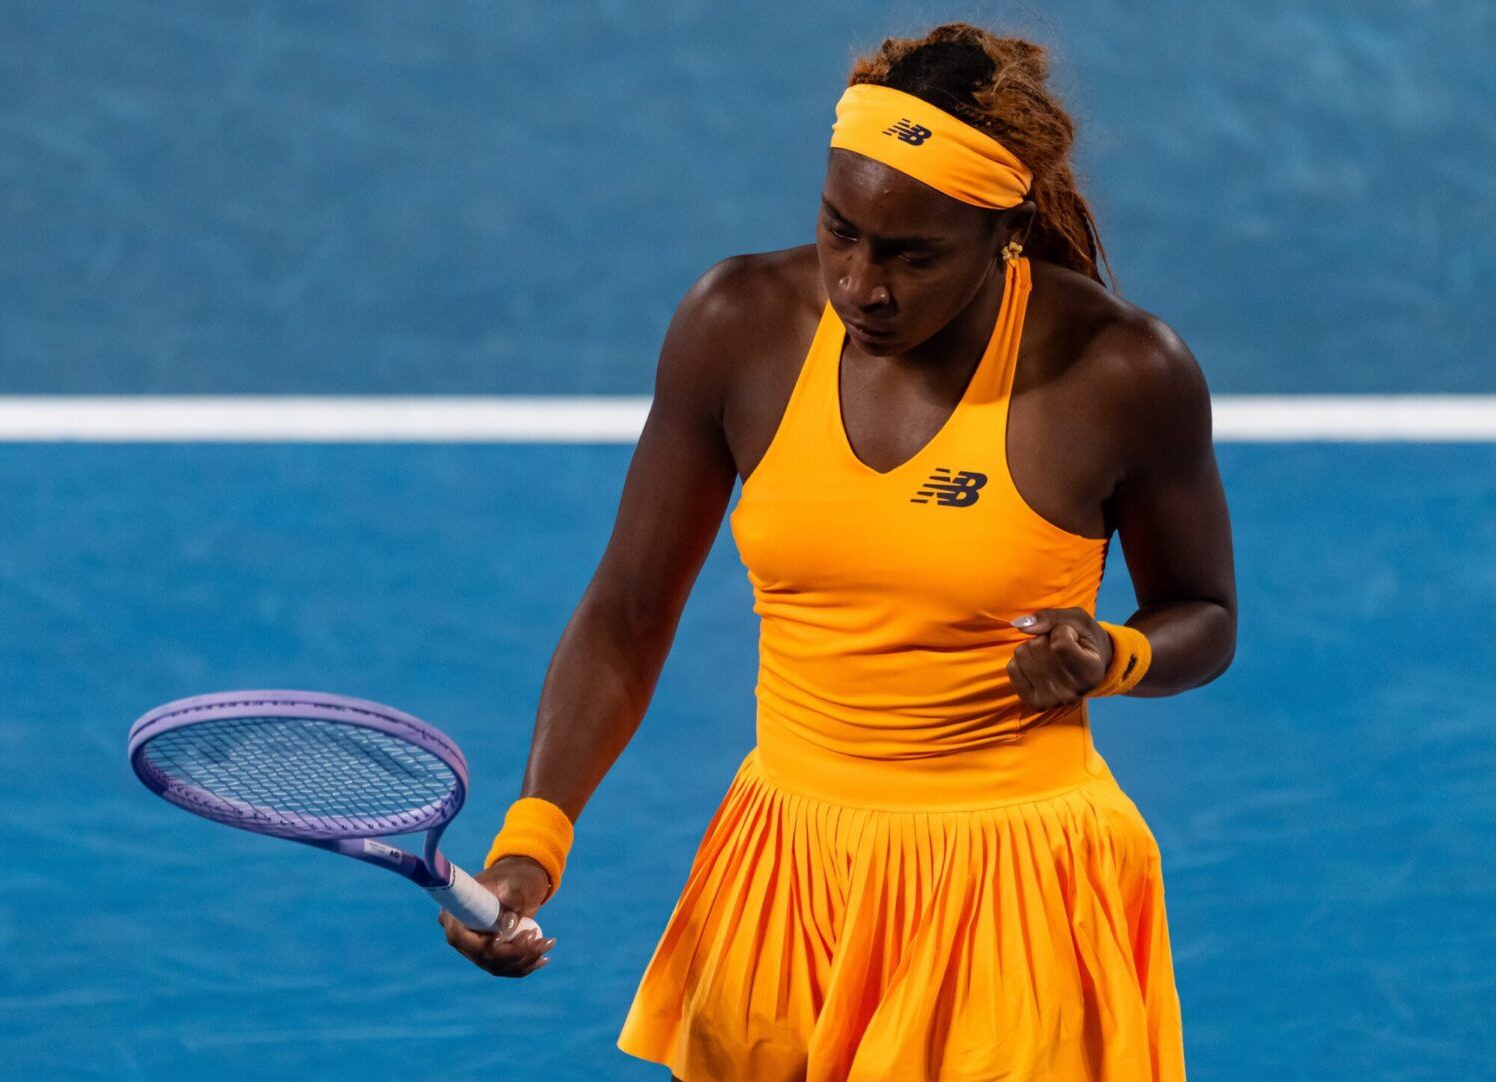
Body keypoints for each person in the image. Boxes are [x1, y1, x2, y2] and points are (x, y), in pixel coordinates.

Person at [442, 22, 1237, 1081]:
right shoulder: (737, 324)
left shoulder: (1121, 370)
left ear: (1001, 228)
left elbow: (1204, 613)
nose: (862, 283)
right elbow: (628, 611)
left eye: (913, 255)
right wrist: (533, 843)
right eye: (839, 229)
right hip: (782, 876)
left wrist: (1112, 655)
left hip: (1010, 891)